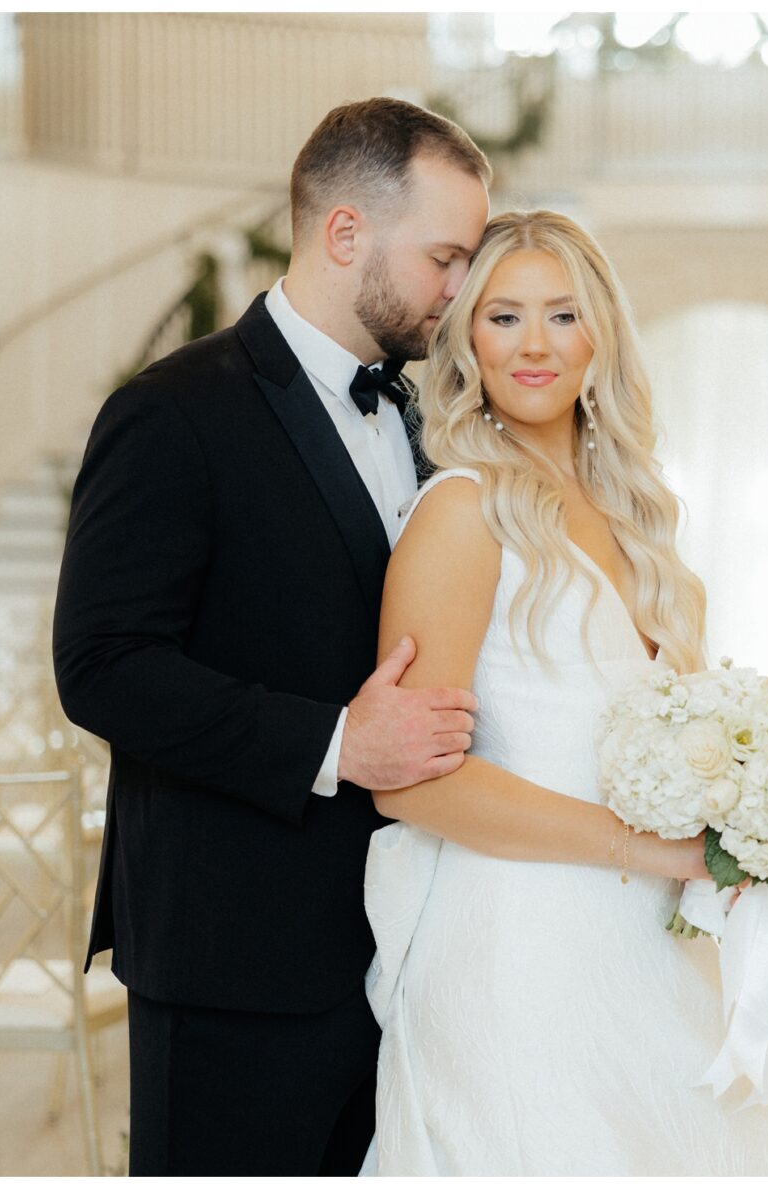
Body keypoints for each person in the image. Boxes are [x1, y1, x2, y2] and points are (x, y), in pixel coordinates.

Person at [54, 98, 492, 1174]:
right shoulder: (174, 411)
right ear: (346, 233)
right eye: (445, 257)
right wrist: (336, 745)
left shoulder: (431, 420)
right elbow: (102, 667)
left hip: (403, 953)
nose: (459, 291)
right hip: (232, 960)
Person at [357, 209, 768, 1174]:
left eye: (562, 315)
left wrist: (751, 815)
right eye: (504, 317)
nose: (534, 345)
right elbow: (412, 783)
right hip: (519, 949)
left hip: (649, 942)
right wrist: (650, 849)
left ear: (600, 334)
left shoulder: (639, 516)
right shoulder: (462, 512)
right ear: (468, 339)